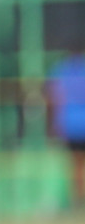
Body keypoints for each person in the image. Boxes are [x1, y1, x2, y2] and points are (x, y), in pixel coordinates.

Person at [46, 44, 85, 208]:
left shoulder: (62, 70)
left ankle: (79, 200)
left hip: (70, 124)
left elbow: (53, 99)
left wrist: (52, 124)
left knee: (76, 165)